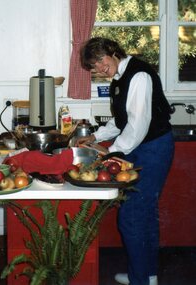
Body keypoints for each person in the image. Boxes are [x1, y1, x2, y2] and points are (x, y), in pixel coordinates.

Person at [78, 37, 175, 285]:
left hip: (152, 148)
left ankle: (140, 279)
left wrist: (111, 152)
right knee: (144, 214)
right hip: (140, 147)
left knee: (132, 216)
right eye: (93, 66)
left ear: (113, 51)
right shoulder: (119, 78)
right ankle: (147, 275)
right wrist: (95, 136)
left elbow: (137, 126)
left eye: (100, 60)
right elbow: (120, 120)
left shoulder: (139, 75)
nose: (98, 68)